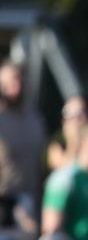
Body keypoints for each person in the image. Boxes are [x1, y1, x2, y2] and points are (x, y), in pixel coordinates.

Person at [0, 59, 46, 201]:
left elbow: (41, 162)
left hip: (33, 198)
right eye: (10, 82)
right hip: (5, 200)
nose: (16, 86)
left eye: (19, 79)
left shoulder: (34, 119)